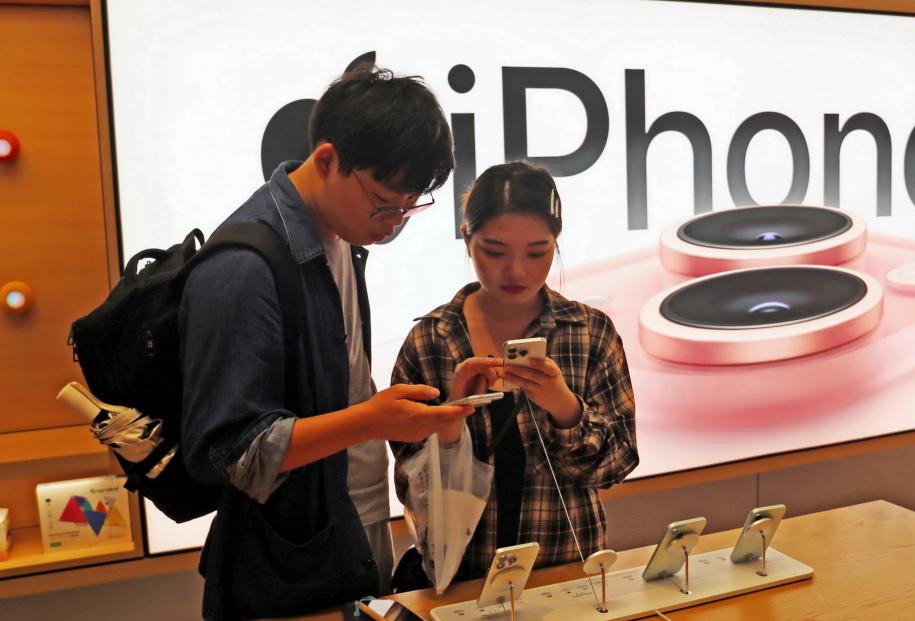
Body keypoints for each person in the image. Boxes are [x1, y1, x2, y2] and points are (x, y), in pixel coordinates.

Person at [179, 67, 473, 620]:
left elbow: (335, 393)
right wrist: (372, 420)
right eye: (384, 203)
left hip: (350, 540)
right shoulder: (244, 267)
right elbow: (232, 454)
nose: (393, 225)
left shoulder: (340, 236)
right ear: (327, 159)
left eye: (410, 209)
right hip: (284, 576)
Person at [390, 161, 639, 587]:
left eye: (537, 252)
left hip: (566, 576)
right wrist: (451, 423)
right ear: (467, 239)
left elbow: (616, 466)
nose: (517, 271)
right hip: (461, 582)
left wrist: (565, 408)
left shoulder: (589, 333)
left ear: (556, 243)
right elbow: (413, 491)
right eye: (495, 251)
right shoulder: (432, 341)